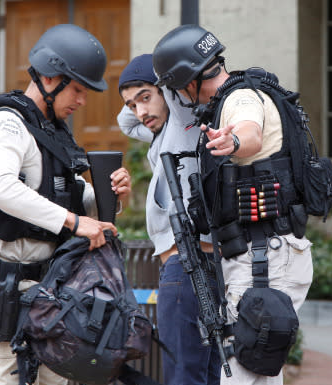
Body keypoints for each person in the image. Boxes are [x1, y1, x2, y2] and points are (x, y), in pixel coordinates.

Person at [0, 24, 131, 385]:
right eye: (79, 89)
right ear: (51, 78)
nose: (83, 101)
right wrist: (72, 221)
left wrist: (110, 196)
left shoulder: (54, 130)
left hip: (53, 290)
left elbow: (73, 201)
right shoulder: (5, 123)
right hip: (2, 286)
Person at [152, 25, 314, 385]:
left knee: (240, 372)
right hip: (266, 255)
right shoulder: (232, 97)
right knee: (258, 370)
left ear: (185, 80)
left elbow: (250, 134)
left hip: (263, 259)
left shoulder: (238, 100)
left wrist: (235, 140)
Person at [117, 54, 222, 385]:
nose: (140, 112)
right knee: (205, 374)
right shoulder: (162, 133)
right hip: (203, 268)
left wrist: (154, 72)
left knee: (183, 375)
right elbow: (126, 122)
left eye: (146, 98)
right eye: (132, 105)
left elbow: (166, 93)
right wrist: (140, 90)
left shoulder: (183, 119)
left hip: (184, 269)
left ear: (169, 91)